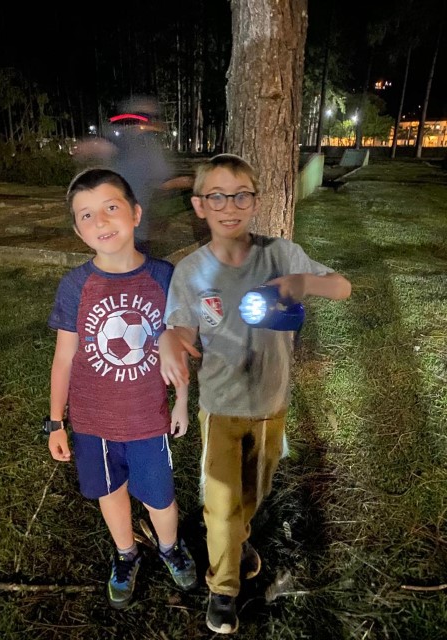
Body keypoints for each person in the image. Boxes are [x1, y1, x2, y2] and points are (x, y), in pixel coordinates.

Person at [158, 153, 352, 634]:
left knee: (253, 494)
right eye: (217, 197)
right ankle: (223, 589)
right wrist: (170, 341)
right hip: (221, 406)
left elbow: (342, 288)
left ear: (256, 202)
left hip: (271, 405)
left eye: (241, 195)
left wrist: (303, 282)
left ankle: (236, 541)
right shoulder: (191, 271)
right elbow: (182, 329)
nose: (230, 206)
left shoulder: (281, 255)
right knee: (221, 504)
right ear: (200, 206)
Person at [46, 167, 197, 611]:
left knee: (160, 498)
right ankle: (126, 553)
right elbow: (64, 357)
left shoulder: (164, 277)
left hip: (147, 417)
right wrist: (55, 422)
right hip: (92, 422)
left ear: (135, 213)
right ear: (78, 231)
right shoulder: (75, 286)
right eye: (86, 215)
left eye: (111, 207)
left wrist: (182, 401)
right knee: (110, 494)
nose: (101, 221)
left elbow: (181, 343)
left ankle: (169, 547)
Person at [73, 96, 192, 254]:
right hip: (124, 228)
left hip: (137, 227)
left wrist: (186, 182)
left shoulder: (149, 146)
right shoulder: (125, 141)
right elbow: (101, 147)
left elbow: (161, 181)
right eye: (143, 117)